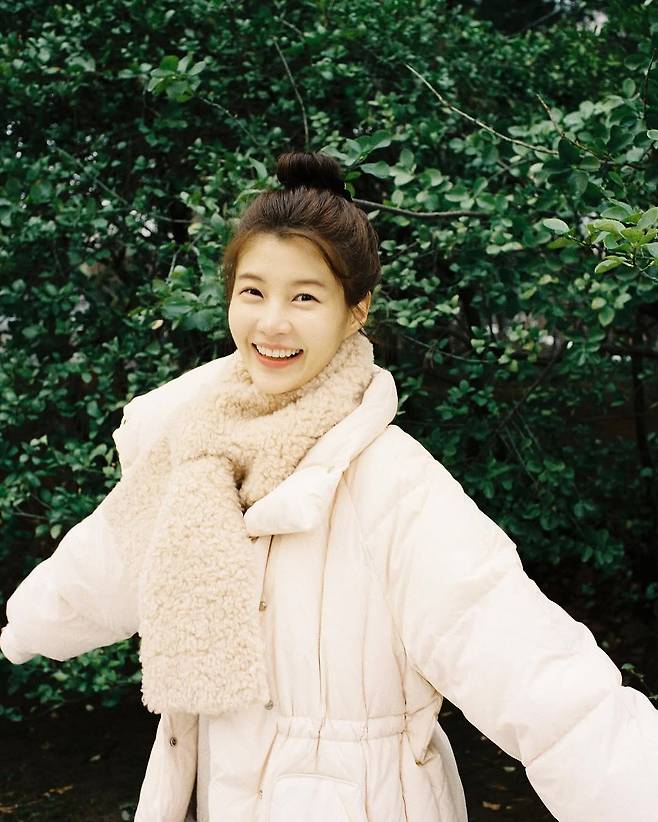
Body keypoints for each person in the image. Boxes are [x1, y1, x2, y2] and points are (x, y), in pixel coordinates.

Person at [1, 151, 657, 822]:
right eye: (252, 292)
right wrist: (18, 629)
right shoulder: (194, 449)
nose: (272, 323)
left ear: (354, 312)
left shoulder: (393, 484)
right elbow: (103, 565)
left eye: (305, 297)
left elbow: (544, 684)